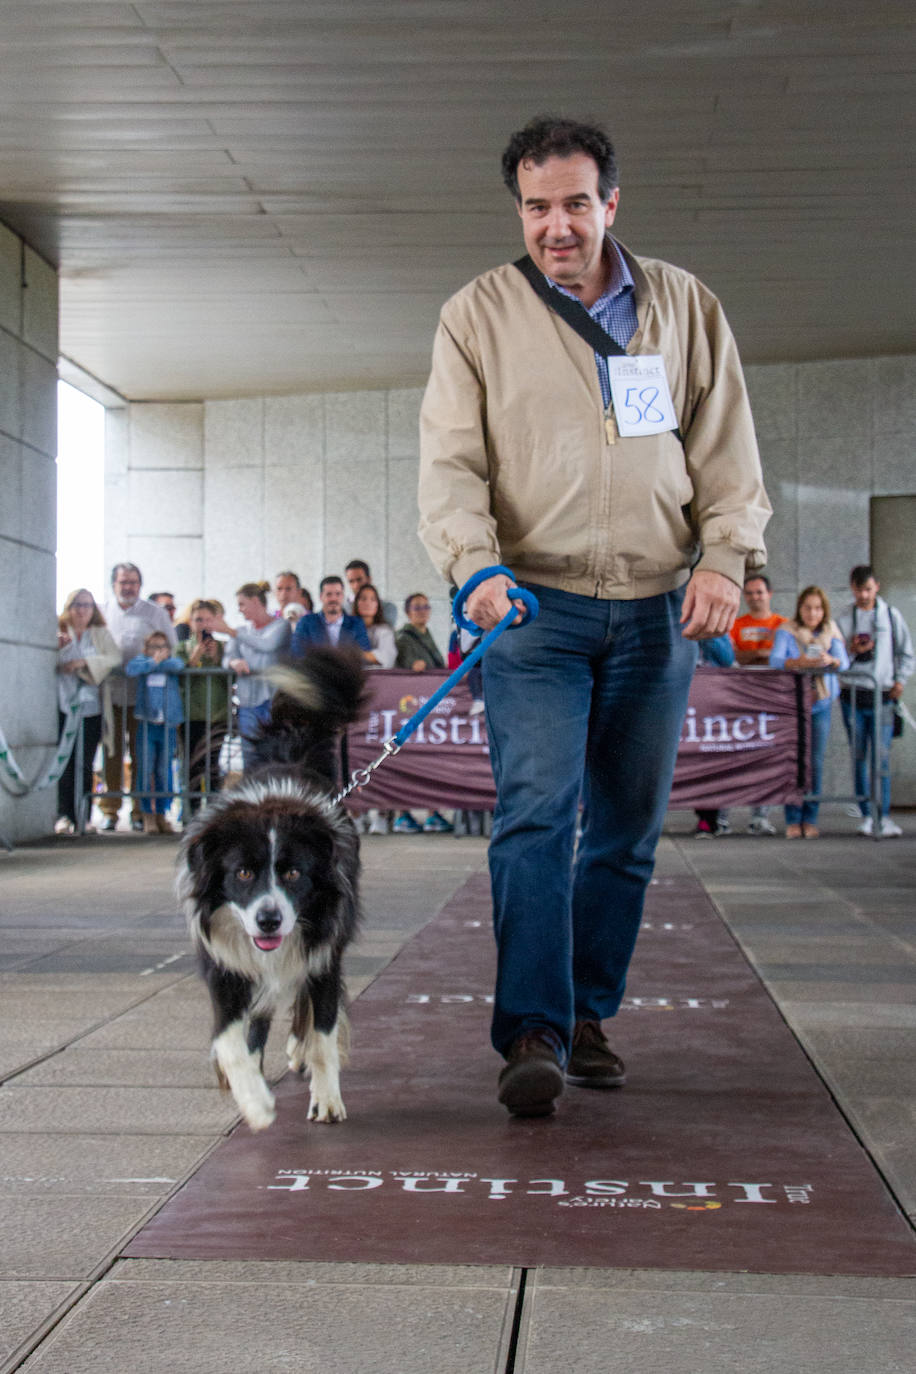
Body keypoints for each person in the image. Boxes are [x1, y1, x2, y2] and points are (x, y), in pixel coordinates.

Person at [418, 115, 770, 1116]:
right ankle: (529, 1028)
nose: (556, 225)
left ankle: (585, 1014)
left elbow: (727, 458)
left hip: (659, 612)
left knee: (624, 832)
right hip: (531, 611)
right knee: (535, 817)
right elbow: (450, 466)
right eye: (537, 207)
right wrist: (473, 567)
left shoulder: (685, 308)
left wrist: (725, 560)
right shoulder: (476, 316)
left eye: (576, 202)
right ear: (517, 210)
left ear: (611, 203)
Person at [837, 565, 914, 837]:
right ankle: (866, 813)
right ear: (852, 588)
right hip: (853, 694)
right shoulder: (844, 617)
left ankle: (884, 814)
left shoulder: (890, 616)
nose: (864, 595)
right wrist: (851, 649)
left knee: (880, 757)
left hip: (882, 695)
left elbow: (907, 652)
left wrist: (900, 680)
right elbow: (834, 654)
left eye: (868, 589)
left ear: (877, 587)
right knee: (858, 755)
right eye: (859, 590)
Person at [100, 562, 176, 832]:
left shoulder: (154, 613)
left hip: (144, 698)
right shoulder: (103, 611)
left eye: (133, 582)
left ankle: (138, 810)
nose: (128, 587)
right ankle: (110, 809)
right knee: (112, 753)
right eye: (123, 582)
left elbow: (172, 647)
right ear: (114, 584)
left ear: (140, 585)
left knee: (141, 756)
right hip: (110, 696)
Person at [769, 587, 848, 838]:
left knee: (815, 762)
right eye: (807, 607)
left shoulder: (830, 631)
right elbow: (775, 660)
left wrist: (830, 660)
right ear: (799, 609)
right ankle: (793, 818)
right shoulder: (787, 630)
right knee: (793, 760)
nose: (812, 613)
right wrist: (799, 662)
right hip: (793, 703)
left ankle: (810, 817)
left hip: (821, 703)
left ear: (823, 610)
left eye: (817, 608)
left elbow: (844, 662)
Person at [55, 589, 121, 835]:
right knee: (65, 762)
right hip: (63, 704)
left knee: (85, 763)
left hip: (91, 708)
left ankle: (84, 815)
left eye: (87, 605)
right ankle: (64, 814)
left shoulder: (99, 634)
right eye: (77, 605)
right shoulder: (59, 630)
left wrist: (83, 663)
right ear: (69, 607)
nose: (82, 610)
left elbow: (113, 658)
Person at [729, 573, 787, 835]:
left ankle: (760, 816)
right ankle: (722, 816)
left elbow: (782, 658)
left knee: (767, 756)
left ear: (769, 593)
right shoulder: (736, 623)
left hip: (773, 699)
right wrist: (763, 654)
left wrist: (755, 656)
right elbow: (733, 655)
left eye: (759, 592)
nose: (754, 598)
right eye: (749, 593)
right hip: (740, 698)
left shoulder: (783, 625)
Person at [211, 582, 291, 771]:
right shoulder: (242, 631)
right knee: (249, 755)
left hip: (274, 701)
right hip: (248, 703)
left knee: (273, 753)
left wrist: (230, 631)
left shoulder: (282, 626)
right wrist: (233, 663)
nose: (240, 610)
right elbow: (227, 657)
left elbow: (266, 644)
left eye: (242, 604)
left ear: (256, 601)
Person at [125, 629, 185, 834]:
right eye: (153, 647)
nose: (158, 651)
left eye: (162, 647)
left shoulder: (171, 664)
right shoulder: (143, 663)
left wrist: (159, 662)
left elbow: (178, 665)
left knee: (164, 770)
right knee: (145, 769)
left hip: (167, 725)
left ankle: (162, 813)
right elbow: (131, 669)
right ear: (146, 649)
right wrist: (152, 662)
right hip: (146, 724)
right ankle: (146, 814)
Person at [175, 599, 229, 814]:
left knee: (213, 764)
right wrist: (194, 658)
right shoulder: (181, 648)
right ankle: (192, 811)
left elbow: (231, 680)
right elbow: (178, 678)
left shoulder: (224, 647)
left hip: (217, 714)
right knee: (192, 763)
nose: (204, 624)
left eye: (208, 619)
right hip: (192, 714)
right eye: (199, 619)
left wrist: (216, 658)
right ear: (191, 622)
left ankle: (214, 811)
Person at [692, 634, 736, 837]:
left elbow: (727, 658)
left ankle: (708, 819)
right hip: (687, 699)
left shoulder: (719, 630)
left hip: (712, 702)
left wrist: (708, 635)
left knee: (709, 757)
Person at [291, 576, 371, 655]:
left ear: (343, 596)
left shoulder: (356, 623)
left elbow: (364, 654)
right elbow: (297, 653)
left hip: (348, 667)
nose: (333, 598)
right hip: (313, 667)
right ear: (321, 597)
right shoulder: (306, 622)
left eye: (338, 594)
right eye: (329, 594)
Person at [395, 594, 446, 671]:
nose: (423, 611)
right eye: (417, 608)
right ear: (408, 612)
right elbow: (408, 663)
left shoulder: (426, 634)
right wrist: (415, 665)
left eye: (426, 607)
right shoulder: (402, 638)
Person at [354, 583, 397, 668]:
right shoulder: (347, 627)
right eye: (363, 599)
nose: (367, 603)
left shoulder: (384, 631)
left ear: (377, 605)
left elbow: (387, 657)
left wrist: (357, 654)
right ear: (356, 603)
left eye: (373, 599)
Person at [345, 559, 397, 627]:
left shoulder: (388, 608)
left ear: (369, 579)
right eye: (351, 581)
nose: (356, 585)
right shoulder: (342, 608)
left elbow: (385, 633)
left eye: (359, 579)